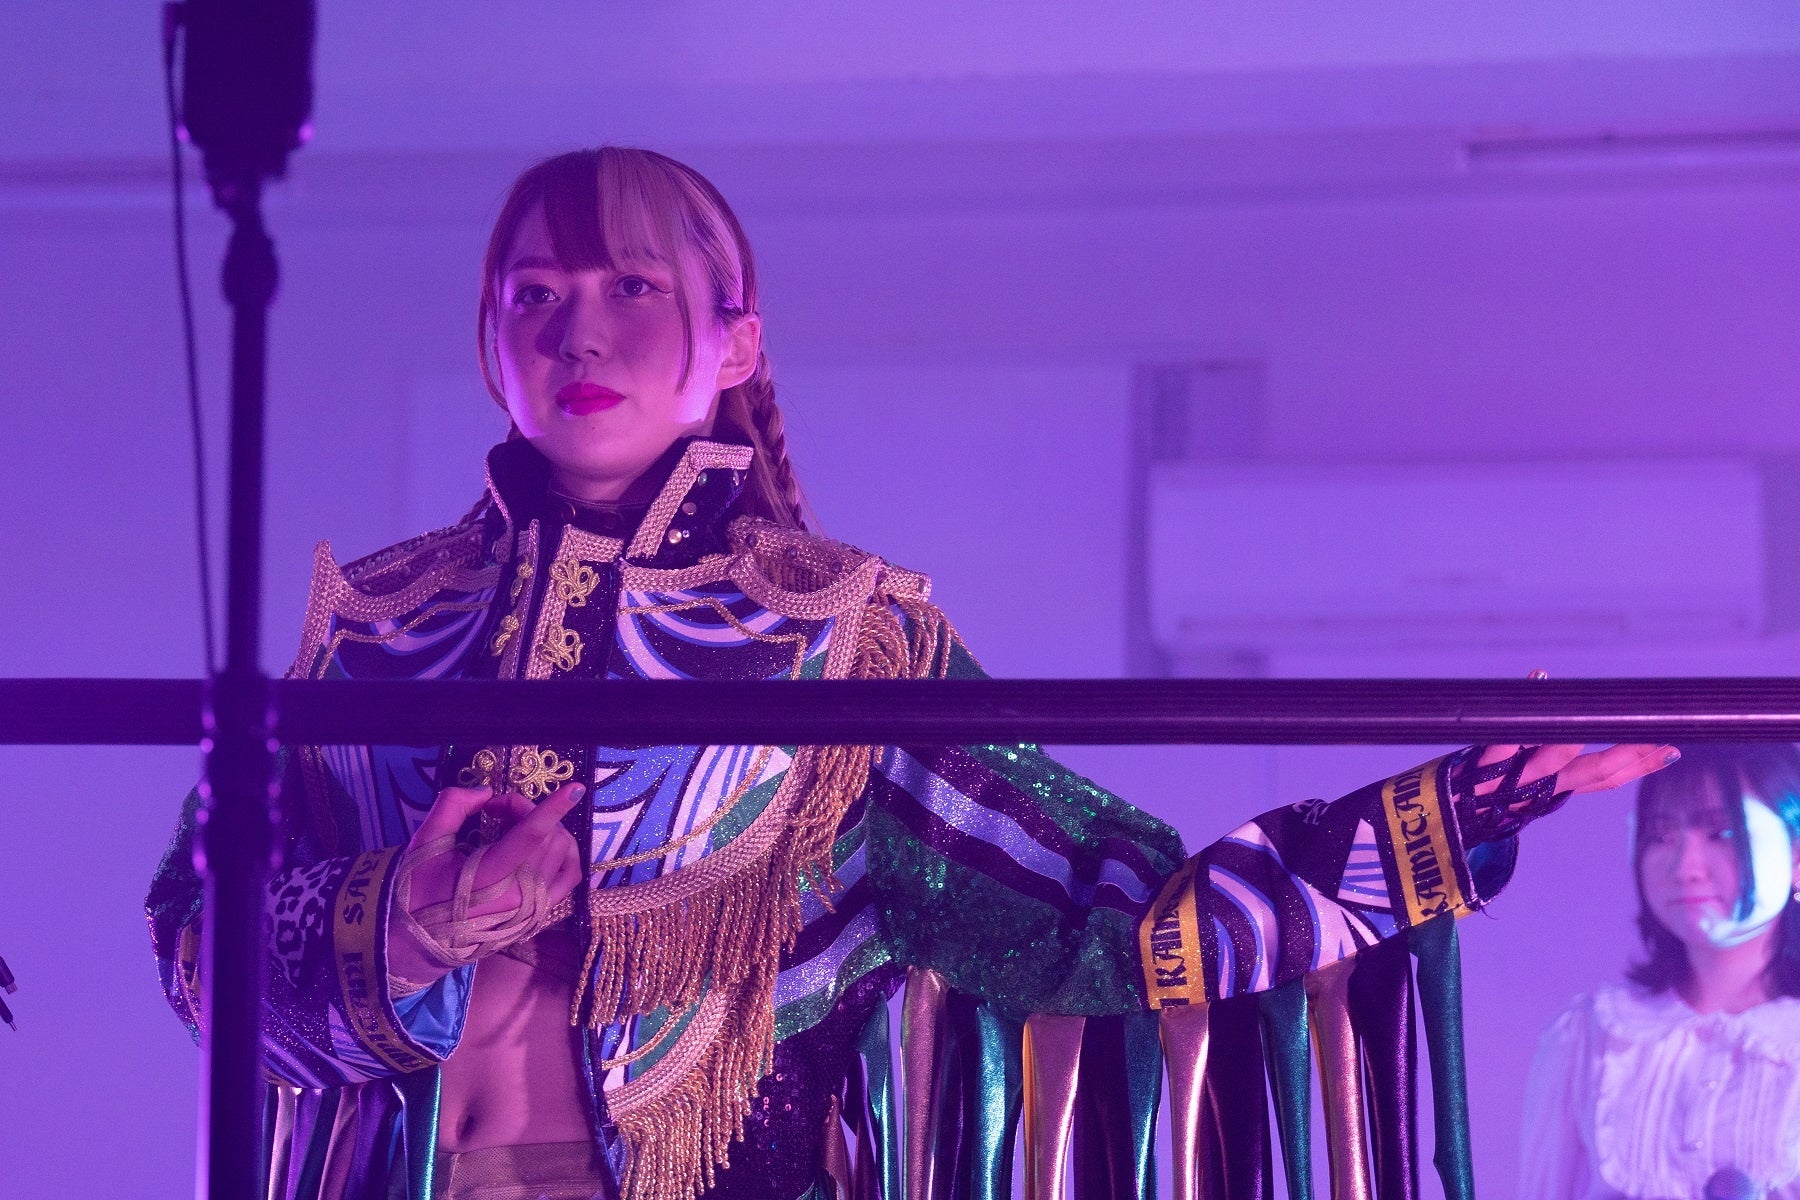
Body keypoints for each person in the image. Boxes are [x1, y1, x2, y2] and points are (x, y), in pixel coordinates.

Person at [146, 147, 1673, 1200]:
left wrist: (1454, 811)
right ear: (491, 344)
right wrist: (406, 926)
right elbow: (199, 955)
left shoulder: (835, 643)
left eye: (633, 289)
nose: (578, 332)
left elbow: (1104, 921)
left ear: (736, 341)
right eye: (535, 295)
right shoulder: (369, 633)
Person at [1519, 744, 1800, 1200]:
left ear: (1796, 856)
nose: (1684, 868)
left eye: (1722, 833)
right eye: (1660, 836)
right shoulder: (1590, 1036)